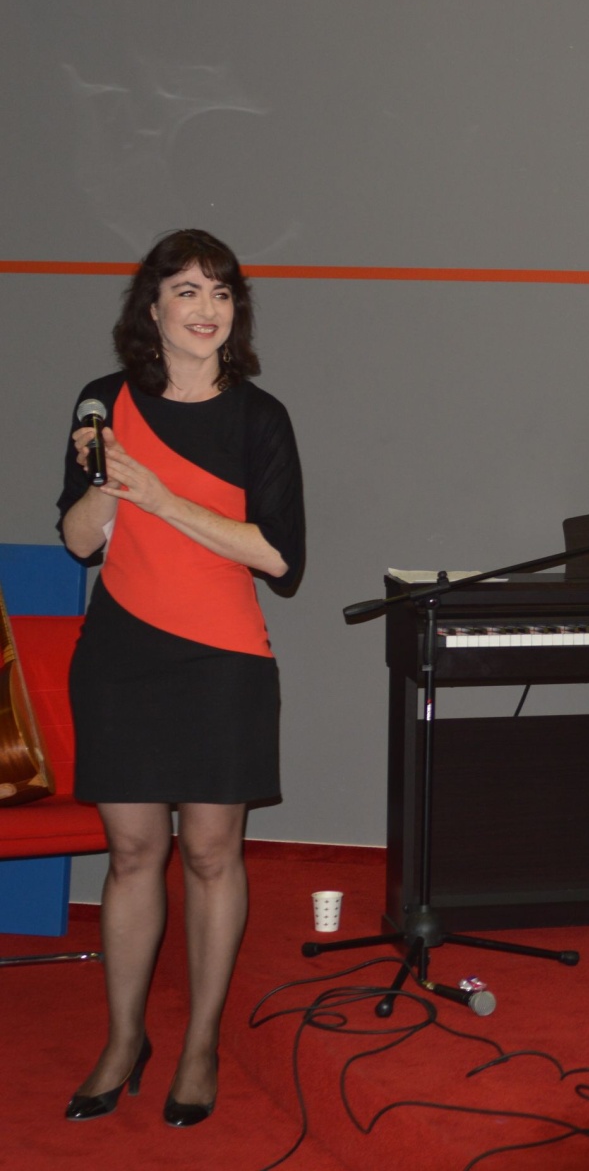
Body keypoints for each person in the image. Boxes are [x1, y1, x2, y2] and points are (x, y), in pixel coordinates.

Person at [57, 229, 305, 1129]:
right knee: (131, 855)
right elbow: (78, 540)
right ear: (152, 308)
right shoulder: (102, 401)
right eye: (188, 291)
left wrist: (162, 496)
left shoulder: (259, 417)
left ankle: (199, 1044)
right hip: (121, 658)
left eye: (222, 292)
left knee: (209, 854)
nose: (207, 309)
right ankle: (124, 1039)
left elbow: (280, 557)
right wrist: (107, 482)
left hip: (222, 660)